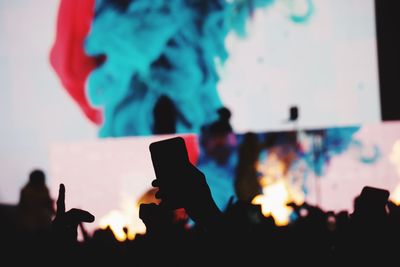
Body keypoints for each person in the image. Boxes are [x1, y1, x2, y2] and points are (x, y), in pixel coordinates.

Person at [16, 169, 55, 235]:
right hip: (30, 223)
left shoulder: (45, 189)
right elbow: (25, 206)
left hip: (43, 221)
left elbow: (48, 204)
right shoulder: (26, 190)